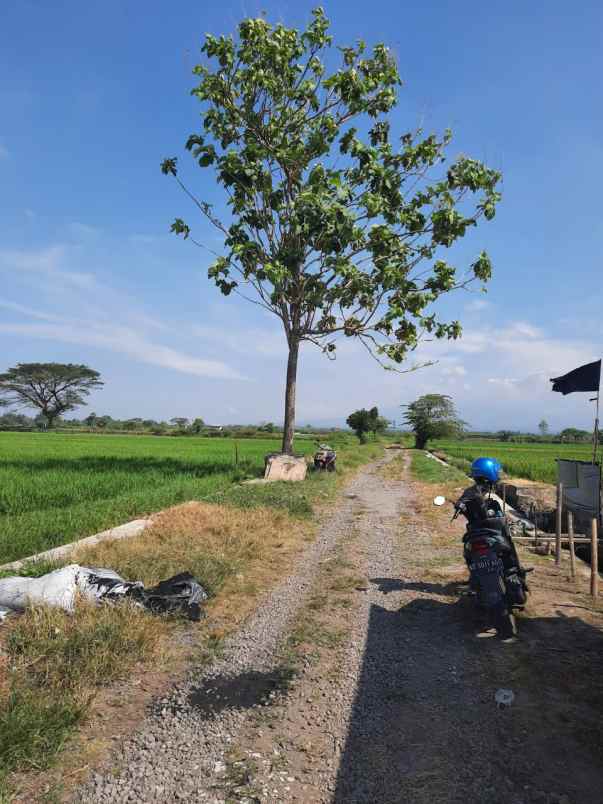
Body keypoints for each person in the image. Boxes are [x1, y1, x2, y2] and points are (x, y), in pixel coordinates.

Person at [455, 457, 523, 578]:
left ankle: (474, 576)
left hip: (476, 528)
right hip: (490, 527)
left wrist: (460, 506)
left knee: (468, 551)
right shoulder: (477, 491)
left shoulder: (473, 490)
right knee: (508, 544)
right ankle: (515, 569)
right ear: (490, 472)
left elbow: (462, 502)